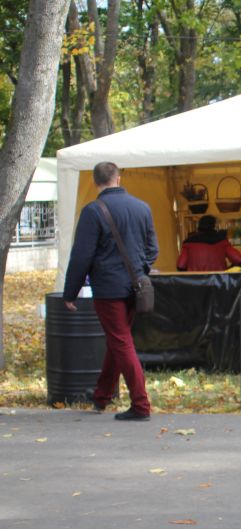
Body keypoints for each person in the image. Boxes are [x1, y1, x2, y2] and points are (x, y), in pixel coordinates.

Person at [63, 161, 158, 421]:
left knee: (121, 342)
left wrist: (70, 292)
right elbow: (153, 249)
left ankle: (141, 405)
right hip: (136, 287)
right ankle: (101, 397)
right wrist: (140, 269)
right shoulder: (142, 207)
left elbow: (81, 256)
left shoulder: (93, 211)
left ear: (96, 182)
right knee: (119, 340)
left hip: (108, 289)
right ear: (118, 178)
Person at [176, 215, 241, 271]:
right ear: (214, 226)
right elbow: (239, 260)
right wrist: (229, 269)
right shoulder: (221, 241)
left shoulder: (188, 242)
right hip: (218, 284)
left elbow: (180, 266)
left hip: (196, 285)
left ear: (199, 226)